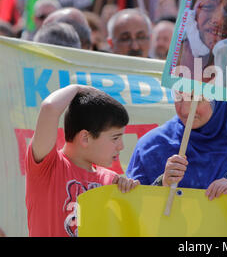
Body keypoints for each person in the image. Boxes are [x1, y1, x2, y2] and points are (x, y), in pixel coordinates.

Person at [126, 91, 227, 200]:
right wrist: (163, 184)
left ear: (220, 100)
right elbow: (130, 209)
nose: (186, 109)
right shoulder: (152, 146)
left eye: (198, 99)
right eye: (179, 96)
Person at [25, 84, 140, 237]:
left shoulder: (111, 181)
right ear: (85, 137)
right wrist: (78, 88)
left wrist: (130, 193)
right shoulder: (48, 166)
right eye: (115, 138)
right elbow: (49, 107)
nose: (121, 146)